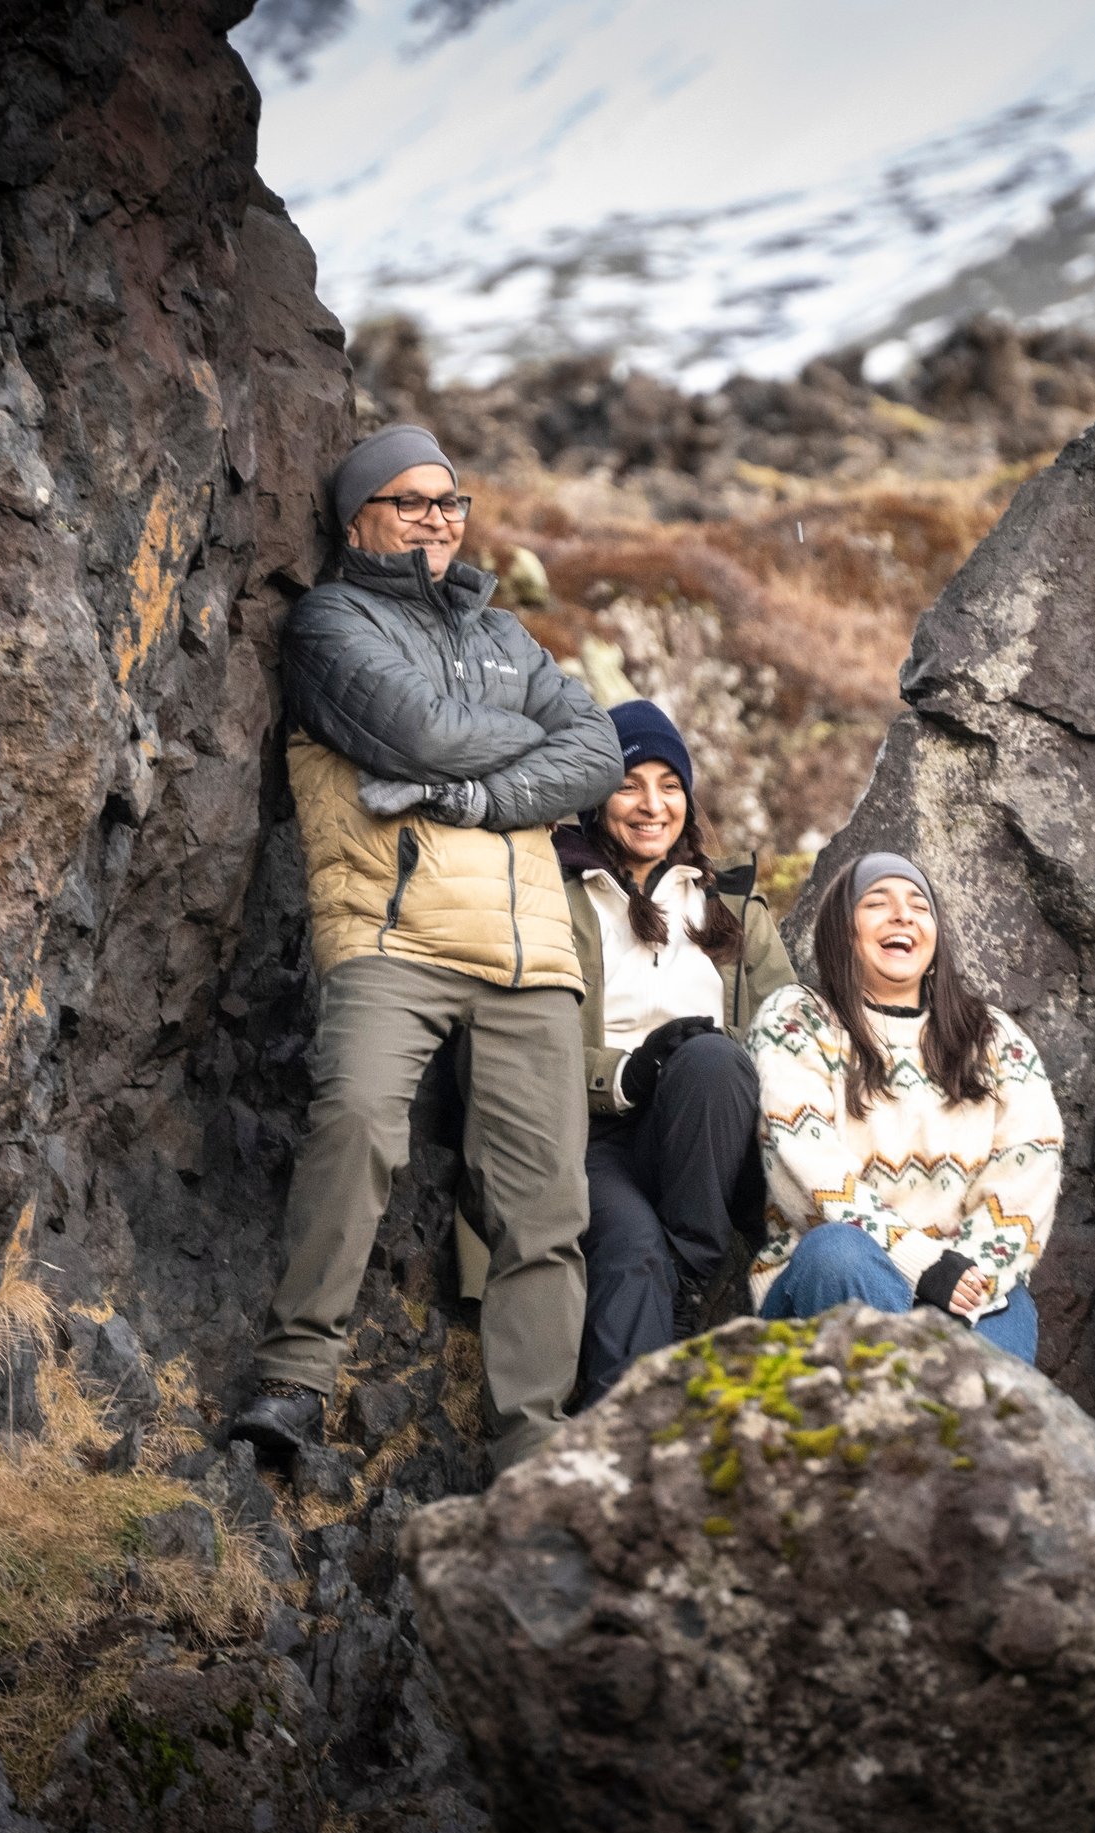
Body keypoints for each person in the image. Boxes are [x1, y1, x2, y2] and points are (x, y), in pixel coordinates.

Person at [230, 423, 622, 1471]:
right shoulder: (329, 625)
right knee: (355, 1123)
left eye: (452, 503)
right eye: (413, 502)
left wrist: (477, 794)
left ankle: (531, 1445)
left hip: (532, 954)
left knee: (547, 1207)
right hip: (392, 934)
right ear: (359, 516)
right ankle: (293, 1382)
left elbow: (601, 753)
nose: (440, 521)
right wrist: (508, 742)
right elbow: (425, 734)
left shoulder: (507, 636)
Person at [554, 699, 795, 1405]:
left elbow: (786, 1036)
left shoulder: (736, 909)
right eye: (630, 783)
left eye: (670, 785)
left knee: (715, 1058)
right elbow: (530, 1038)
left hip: (705, 1138)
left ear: (689, 800)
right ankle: (619, 1458)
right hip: (593, 1139)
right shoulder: (558, 894)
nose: (651, 804)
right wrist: (625, 1072)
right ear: (598, 797)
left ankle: (694, 1276)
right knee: (630, 1253)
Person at [745, 852, 1063, 1362]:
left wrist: (964, 1275)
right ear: (843, 932)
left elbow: (1032, 1169)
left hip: (963, 1283)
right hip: (831, 1281)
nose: (903, 915)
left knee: (1002, 1323)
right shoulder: (796, 1019)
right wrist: (920, 1264)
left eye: (920, 905)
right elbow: (805, 1164)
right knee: (838, 1256)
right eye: (877, 903)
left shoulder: (995, 1037)